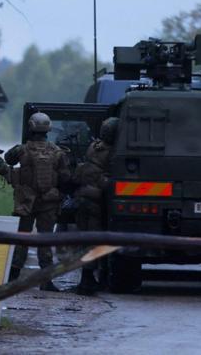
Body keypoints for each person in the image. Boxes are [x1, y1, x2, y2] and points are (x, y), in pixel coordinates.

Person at [5, 111, 71, 290]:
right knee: (45, 239)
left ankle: (12, 278)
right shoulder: (57, 152)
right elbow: (65, 177)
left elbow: (7, 159)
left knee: (22, 238)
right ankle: (46, 280)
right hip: (48, 203)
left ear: (31, 128)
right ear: (48, 129)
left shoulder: (22, 150)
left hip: (25, 201)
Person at [72, 117, 119, 295]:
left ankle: (88, 277)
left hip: (82, 197)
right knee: (94, 241)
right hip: (96, 200)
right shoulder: (112, 152)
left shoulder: (94, 147)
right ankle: (88, 279)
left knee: (85, 239)